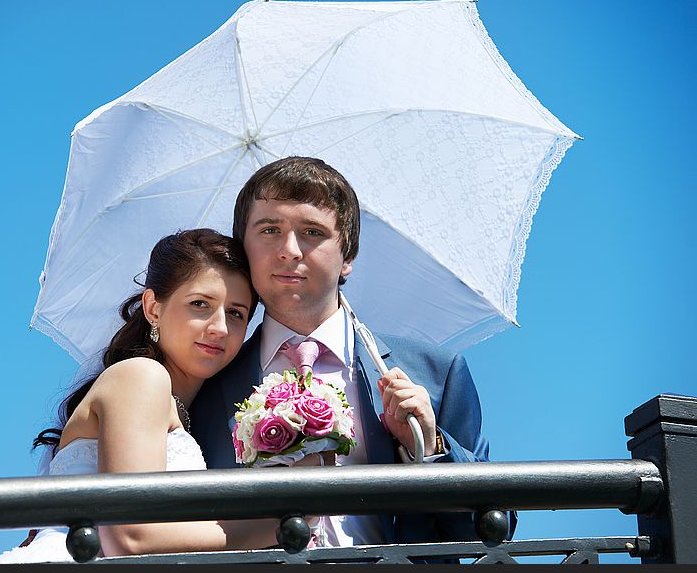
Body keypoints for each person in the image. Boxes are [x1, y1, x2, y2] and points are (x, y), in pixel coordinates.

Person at [190, 156, 516, 551]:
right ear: (244, 249)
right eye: (270, 230)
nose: (289, 250)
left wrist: (430, 451)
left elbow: (491, 529)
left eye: (312, 232)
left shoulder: (437, 374)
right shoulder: (203, 386)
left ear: (348, 257)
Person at [0, 229, 296, 563]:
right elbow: (131, 536)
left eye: (236, 313)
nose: (220, 327)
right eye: (200, 304)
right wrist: (278, 524)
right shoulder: (142, 376)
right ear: (153, 308)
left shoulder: (183, 409)